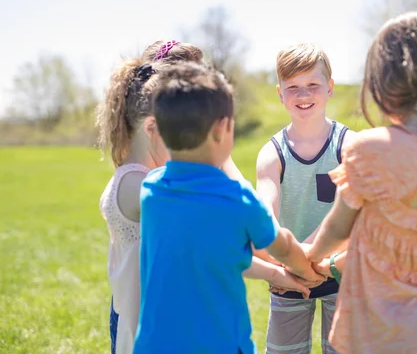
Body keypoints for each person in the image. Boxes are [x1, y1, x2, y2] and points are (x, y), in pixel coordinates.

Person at [97, 41, 308, 354]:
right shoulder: (150, 189)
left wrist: (277, 273)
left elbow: (208, 249)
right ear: (157, 125)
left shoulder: (156, 188)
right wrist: (305, 264)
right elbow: (250, 238)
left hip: (148, 332)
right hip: (171, 329)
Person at [304, 12, 417, 353]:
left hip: (381, 326)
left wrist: (312, 256)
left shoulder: (368, 149)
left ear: (382, 84)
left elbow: (339, 227)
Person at [255, 43, 354, 354]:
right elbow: (265, 219)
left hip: (342, 272)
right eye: (293, 87)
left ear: (330, 88)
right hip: (288, 276)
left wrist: (311, 259)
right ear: (280, 93)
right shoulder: (272, 154)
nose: (303, 95)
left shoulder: (349, 146)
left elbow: (350, 216)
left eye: (313, 85)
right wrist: (291, 264)